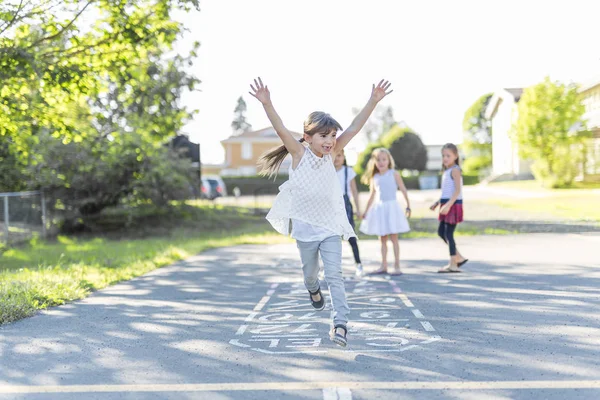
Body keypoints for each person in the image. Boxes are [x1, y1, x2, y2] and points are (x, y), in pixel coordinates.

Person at [249, 77, 393, 347]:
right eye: (323, 136)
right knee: (310, 275)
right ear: (308, 137)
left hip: (329, 226)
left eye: (332, 136)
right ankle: (313, 289)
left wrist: (373, 100)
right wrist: (267, 103)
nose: (330, 141)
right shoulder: (298, 153)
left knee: (335, 274)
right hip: (305, 228)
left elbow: (354, 127)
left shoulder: (332, 153)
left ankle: (340, 325)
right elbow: (280, 129)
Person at [359, 148, 411, 275]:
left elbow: (403, 189)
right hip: (380, 210)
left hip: (391, 209)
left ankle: (397, 265)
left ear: (389, 161)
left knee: (394, 238)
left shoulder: (394, 174)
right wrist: (366, 211)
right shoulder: (375, 177)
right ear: (374, 162)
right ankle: (384, 265)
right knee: (382, 239)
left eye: (384, 159)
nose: (381, 162)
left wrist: (408, 205)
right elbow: (372, 195)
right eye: (378, 160)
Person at [430, 143, 468, 273]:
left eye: (448, 155)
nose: (445, 158)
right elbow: (446, 192)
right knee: (441, 232)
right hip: (446, 203)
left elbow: (457, 191)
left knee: (448, 234)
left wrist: (448, 205)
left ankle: (453, 264)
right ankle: (458, 257)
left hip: (452, 204)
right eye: (443, 156)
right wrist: (437, 202)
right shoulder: (446, 171)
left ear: (456, 156)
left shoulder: (455, 170)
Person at [334, 150, 364, 278]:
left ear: (344, 157)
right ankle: (331, 268)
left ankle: (358, 264)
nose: (336, 159)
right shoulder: (326, 171)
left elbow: (355, 191)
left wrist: (358, 209)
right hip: (330, 207)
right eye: (334, 156)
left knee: (351, 237)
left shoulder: (348, 171)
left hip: (345, 206)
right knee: (331, 238)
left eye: (339, 156)